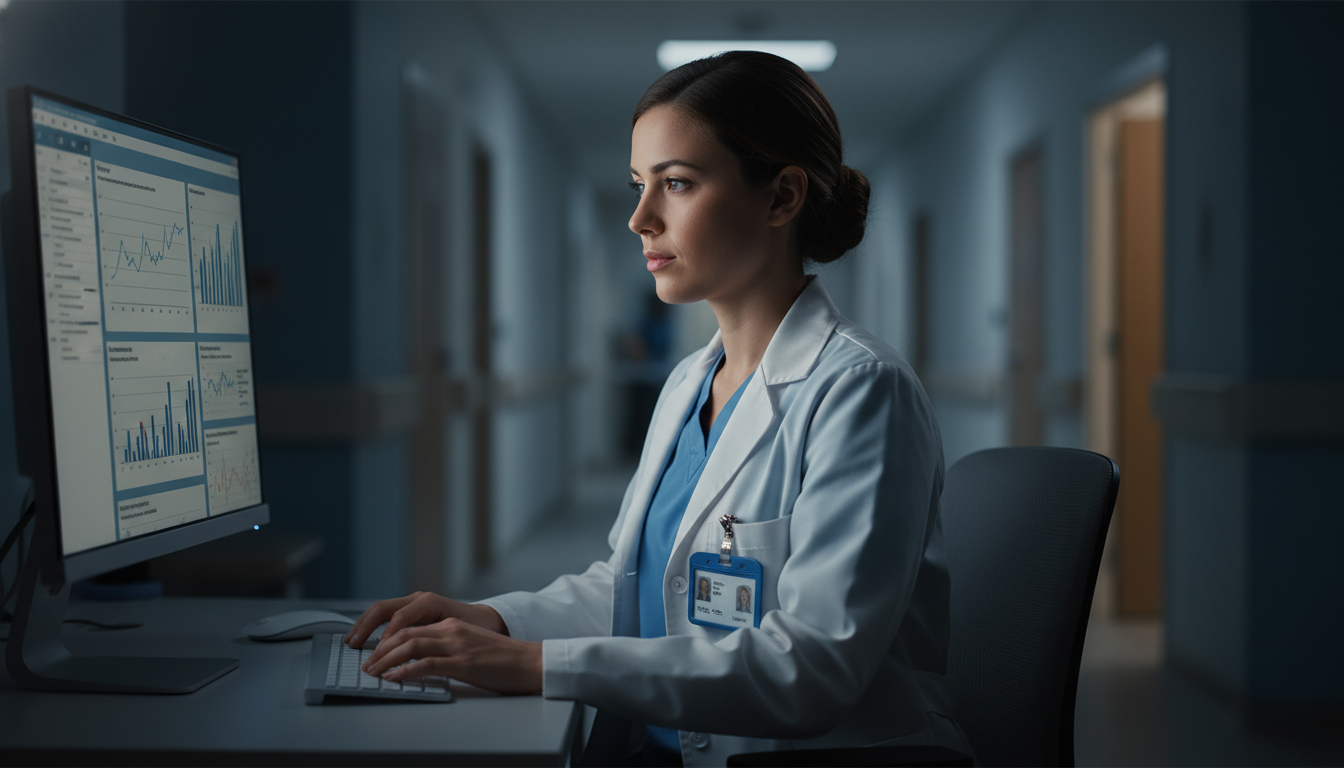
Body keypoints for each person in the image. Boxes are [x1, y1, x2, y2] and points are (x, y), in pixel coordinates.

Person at [345, 51, 970, 767]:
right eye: (641, 185)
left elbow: (814, 668)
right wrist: (495, 620)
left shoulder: (862, 389)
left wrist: (537, 667)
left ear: (781, 198)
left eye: (676, 183)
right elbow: (632, 585)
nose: (641, 218)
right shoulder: (688, 384)